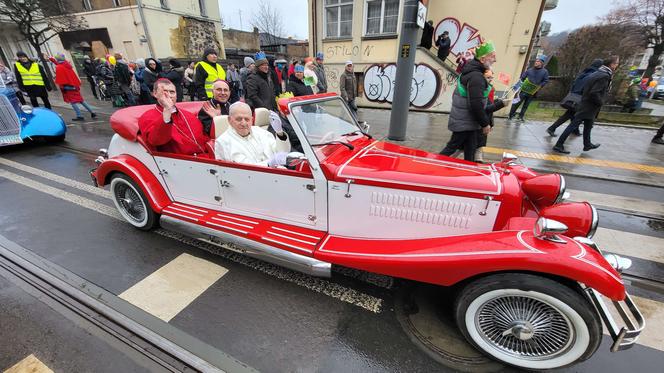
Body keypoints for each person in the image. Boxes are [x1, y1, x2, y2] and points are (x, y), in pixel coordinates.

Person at [439, 41, 500, 162]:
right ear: (482, 59)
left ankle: (469, 172)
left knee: (470, 149)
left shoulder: (472, 72)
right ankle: (429, 166)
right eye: (492, 56)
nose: (495, 60)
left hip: (467, 122)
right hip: (465, 122)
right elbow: (476, 104)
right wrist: (485, 123)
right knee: (451, 148)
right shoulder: (476, 77)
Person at [553, 55, 619, 154]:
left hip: (587, 104)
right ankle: (558, 145)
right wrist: (600, 102)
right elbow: (594, 92)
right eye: (616, 63)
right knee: (573, 125)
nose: (617, 65)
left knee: (588, 125)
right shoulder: (604, 76)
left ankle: (587, 144)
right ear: (611, 64)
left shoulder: (598, 72)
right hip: (589, 106)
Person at [138, 78, 210, 155]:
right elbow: (155, 140)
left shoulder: (188, 115)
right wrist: (167, 112)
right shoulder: (147, 116)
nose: (169, 95)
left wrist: (216, 119)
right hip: (177, 162)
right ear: (155, 94)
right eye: (164, 92)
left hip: (204, 158)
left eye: (172, 92)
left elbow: (205, 138)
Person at [215, 101, 291, 167]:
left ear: (252, 120)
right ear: (229, 120)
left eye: (247, 119)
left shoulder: (261, 132)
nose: (244, 123)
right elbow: (244, 169)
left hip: (277, 174)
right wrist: (269, 163)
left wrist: (280, 133)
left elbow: (282, 152)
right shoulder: (223, 142)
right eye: (239, 119)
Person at [546, 59, 603, 136]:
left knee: (572, 114)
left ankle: (575, 131)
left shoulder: (585, 72)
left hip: (573, 96)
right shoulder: (593, 75)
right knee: (571, 115)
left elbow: (575, 84)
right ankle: (552, 128)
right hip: (580, 98)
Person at [50, 53, 97, 121]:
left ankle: (79, 115)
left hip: (68, 86)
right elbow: (58, 64)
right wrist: (51, 59)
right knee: (81, 100)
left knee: (73, 102)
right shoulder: (66, 64)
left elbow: (60, 78)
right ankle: (92, 112)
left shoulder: (59, 67)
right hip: (74, 85)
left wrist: (62, 86)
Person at [508, 55, 550, 122]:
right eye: (536, 61)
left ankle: (521, 116)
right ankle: (510, 115)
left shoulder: (545, 72)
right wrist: (517, 86)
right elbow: (522, 78)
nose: (536, 62)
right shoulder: (529, 70)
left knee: (526, 105)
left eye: (538, 61)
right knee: (517, 103)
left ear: (541, 63)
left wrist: (540, 86)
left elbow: (546, 81)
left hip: (533, 92)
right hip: (524, 90)